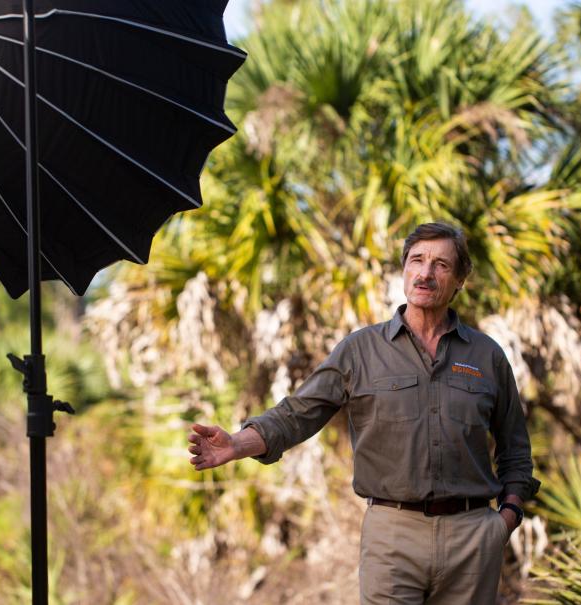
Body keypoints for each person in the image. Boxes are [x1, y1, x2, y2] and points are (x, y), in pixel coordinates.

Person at [188, 222, 540, 605]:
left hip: (473, 537)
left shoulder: (486, 356)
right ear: (403, 270)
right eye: (416, 261)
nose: (425, 273)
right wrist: (237, 444)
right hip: (392, 536)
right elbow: (298, 413)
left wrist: (506, 519)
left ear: (459, 280)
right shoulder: (361, 350)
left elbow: (515, 448)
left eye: (440, 265)